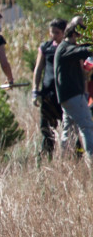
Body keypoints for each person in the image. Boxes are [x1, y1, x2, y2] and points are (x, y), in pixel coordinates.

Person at [54, 16, 93, 157]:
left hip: (68, 97)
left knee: (68, 132)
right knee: (87, 127)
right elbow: (81, 52)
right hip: (73, 96)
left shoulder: (64, 48)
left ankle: (64, 162)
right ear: (74, 34)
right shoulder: (65, 49)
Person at [32, 18, 68, 157]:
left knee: (68, 127)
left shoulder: (69, 47)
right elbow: (38, 68)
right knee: (46, 128)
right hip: (47, 93)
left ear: (64, 32)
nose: (53, 35)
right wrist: (35, 91)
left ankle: (71, 156)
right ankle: (46, 155)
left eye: (57, 32)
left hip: (64, 94)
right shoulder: (45, 47)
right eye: (51, 32)